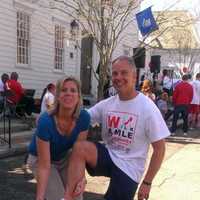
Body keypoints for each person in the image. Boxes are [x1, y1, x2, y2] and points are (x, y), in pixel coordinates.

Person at [64, 56, 170, 200]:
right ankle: (70, 197)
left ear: (134, 76)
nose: (118, 77)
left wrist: (147, 182)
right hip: (109, 157)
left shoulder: (147, 108)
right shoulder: (107, 104)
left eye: (123, 73)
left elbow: (160, 149)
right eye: (115, 73)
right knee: (80, 147)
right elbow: (80, 119)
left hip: (129, 169)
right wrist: (52, 116)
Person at [27, 76, 90, 200]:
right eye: (64, 90)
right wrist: (39, 197)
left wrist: (82, 178)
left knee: (76, 196)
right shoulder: (46, 121)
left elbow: (79, 153)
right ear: (58, 96)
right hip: (40, 159)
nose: (68, 93)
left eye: (73, 90)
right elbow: (44, 166)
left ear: (79, 96)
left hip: (64, 157)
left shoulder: (84, 118)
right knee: (58, 197)